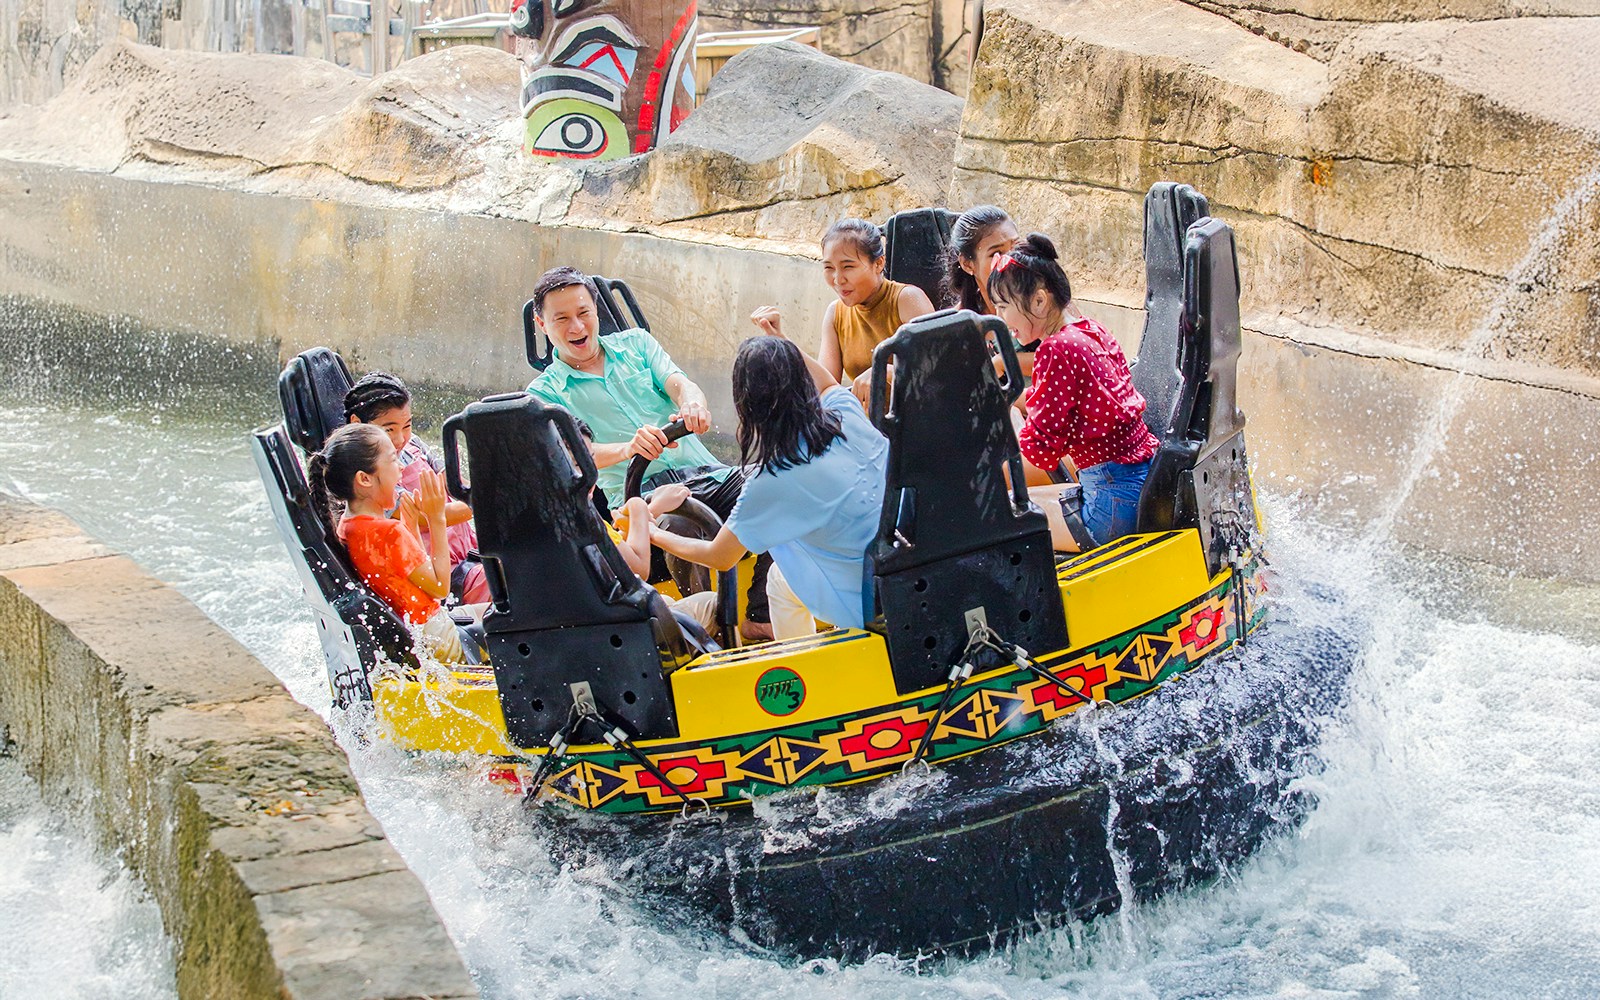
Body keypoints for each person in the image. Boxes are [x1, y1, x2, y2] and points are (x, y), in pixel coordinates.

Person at [525, 266, 771, 639]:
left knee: (777, 480)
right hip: (641, 498)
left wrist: (692, 404)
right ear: (542, 324)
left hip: (709, 474)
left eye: (583, 314)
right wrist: (629, 448)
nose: (577, 327)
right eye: (562, 319)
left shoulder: (637, 344)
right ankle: (707, 634)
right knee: (680, 524)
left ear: (596, 310)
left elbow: (680, 383)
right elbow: (575, 455)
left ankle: (759, 616)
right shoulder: (544, 394)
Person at [650, 332, 888, 640]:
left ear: (748, 406)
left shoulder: (773, 480)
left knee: (778, 575)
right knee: (782, 565)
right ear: (802, 382)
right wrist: (783, 341)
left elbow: (719, 556)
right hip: (904, 570)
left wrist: (653, 531)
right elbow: (828, 384)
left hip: (863, 602)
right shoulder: (846, 415)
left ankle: (800, 666)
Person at [988, 234, 1158, 551]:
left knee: (995, 516)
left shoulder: (1057, 350)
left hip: (1108, 507)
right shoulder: (1089, 329)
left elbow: (1041, 451)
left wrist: (1014, 425)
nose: (1001, 319)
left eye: (1003, 307)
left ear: (1039, 301)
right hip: (1133, 484)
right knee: (1008, 502)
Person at [307, 423, 485, 663]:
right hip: (439, 640)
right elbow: (441, 588)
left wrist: (410, 527)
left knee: (500, 610)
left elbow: (412, 579)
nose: (401, 467)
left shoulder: (349, 526)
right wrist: (437, 519)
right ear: (364, 479)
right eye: (392, 460)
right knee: (528, 618)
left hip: (424, 633)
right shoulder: (388, 532)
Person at [749, 218, 934, 405]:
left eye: (848, 267)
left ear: (878, 264)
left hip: (917, 426)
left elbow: (939, 371)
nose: (838, 279)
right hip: (865, 427)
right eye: (829, 268)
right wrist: (781, 340)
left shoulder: (907, 299)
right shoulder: (835, 313)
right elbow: (826, 387)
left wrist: (887, 371)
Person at [344, 372, 489, 604]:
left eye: (407, 425)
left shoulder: (413, 445)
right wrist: (490, 501)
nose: (400, 439)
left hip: (472, 551)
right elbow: (425, 517)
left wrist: (484, 490)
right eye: (389, 430)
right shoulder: (368, 481)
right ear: (356, 424)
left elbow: (454, 483)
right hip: (446, 576)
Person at [572, 419, 717, 634]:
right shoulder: (584, 520)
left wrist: (654, 509)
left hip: (573, 633)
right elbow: (636, 568)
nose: (589, 472)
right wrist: (640, 507)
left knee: (665, 600)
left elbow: (615, 555)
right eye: (576, 464)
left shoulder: (533, 523)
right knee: (712, 603)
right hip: (620, 634)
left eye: (591, 460)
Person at [942, 205, 1018, 314]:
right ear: (967, 264)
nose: (1012, 260)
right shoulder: (958, 326)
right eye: (997, 254)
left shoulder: (1045, 303)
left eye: (1016, 247)